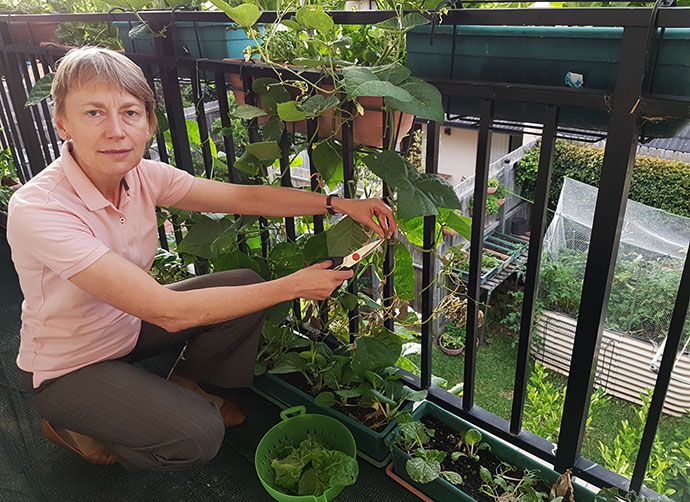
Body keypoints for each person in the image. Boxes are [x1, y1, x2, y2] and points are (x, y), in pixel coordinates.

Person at [6, 47, 395, 471]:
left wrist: (339, 203)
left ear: (149, 122)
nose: (117, 130)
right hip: (69, 366)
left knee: (245, 282)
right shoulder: (41, 208)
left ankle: (184, 382)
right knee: (200, 435)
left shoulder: (142, 176)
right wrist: (293, 287)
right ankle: (79, 426)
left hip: (127, 327)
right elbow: (167, 311)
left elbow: (244, 197)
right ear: (63, 123)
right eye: (94, 113)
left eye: (131, 113)